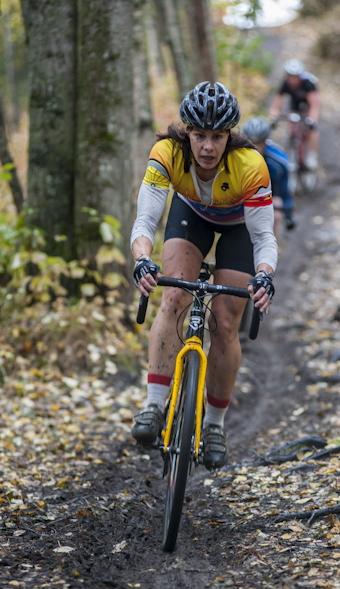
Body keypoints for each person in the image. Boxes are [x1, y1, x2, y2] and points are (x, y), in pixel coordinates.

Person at [130, 81, 278, 470]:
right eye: (199, 136)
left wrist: (264, 276)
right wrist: (143, 260)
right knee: (174, 297)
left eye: (217, 136)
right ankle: (153, 407)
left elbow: (264, 237)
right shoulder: (166, 154)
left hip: (237, 229)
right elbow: (145, 220)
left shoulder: (251, 166)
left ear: (230, 135)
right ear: (187, 133)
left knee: (226, 321)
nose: (208, 147)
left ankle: (214, 425)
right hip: (190, 215)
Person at [241, 116, 296, 239]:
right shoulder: (235, 157)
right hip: (243, 195)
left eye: (258, 143)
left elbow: (284, 192)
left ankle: (272, 248)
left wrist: (288, 213)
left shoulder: (279, 162)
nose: (255, 147)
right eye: (251, 143)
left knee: (276, 214)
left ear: (265, 141)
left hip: (269, 194)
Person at [269, 59, 320, 171]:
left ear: (300, 76)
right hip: (295, 103)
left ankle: (312, 155)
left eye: (295, 76)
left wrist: (312, 120)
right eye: (290, 76)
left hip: (308, 103)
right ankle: (293, 144)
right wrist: (274, 117)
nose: (293, 79)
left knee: (313, 127)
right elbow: (277, 103)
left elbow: (314, 105)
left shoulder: (308, 83)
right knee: (292, 122)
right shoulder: (285, 83)